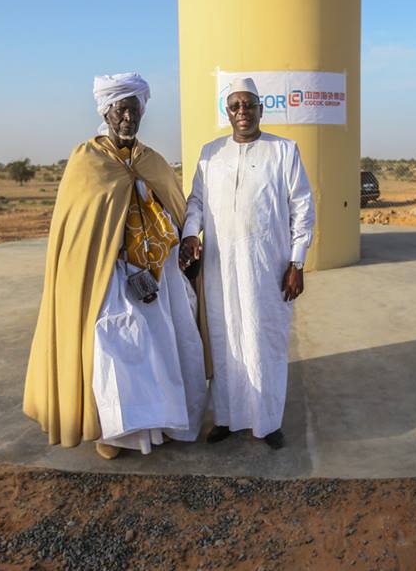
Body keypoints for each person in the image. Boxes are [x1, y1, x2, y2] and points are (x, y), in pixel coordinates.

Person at [23, 72, 207, 460]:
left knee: (167, 348)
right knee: (117, 355)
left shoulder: (151, 161)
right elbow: (79, 229)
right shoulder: (87, 162)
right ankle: (114, 433)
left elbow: (175, 204)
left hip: (162, 275)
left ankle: (167, 423)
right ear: (106, 112)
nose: (128, 118)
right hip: (110, 277)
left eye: (134, 110)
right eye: (120, 110)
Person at [180, 77, 314, 449]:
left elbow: (302, 207)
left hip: (266, 268)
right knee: (225, 342)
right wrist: (192, 232)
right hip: (220, 270)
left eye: (249, 105)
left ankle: (267, 422)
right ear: (227, 111)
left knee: (264, 341)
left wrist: (297, 263)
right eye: (235, 105)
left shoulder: (284, 151)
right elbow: (196, 202)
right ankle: (226, 418)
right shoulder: (210, 154)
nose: (242, 112)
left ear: (260, 108)